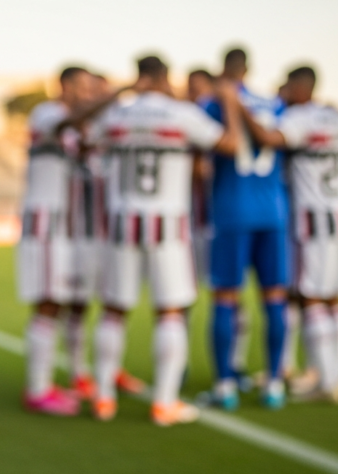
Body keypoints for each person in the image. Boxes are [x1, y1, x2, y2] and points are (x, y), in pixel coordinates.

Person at [88, 55, 240, 424]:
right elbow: (231, 145)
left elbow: (87, 137)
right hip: (168, 224)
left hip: (123, 221)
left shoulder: (118, 115)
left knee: (114, 310)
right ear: (165, 77)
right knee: (170, 311)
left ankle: (104, 398)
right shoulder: (180, 114)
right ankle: (164, 402)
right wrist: (231, 106)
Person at [243, 66, 338, 402]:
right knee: (335, 299)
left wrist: (240, 109)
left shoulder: (300, 119)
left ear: (301, 87)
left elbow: (267, 139)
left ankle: (326, 384)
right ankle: (334, 374)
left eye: (286, 86)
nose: (282, 93)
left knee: (310, 296)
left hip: (312, 219)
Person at [203, 48, 291, 410]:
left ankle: (225, 385)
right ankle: (273, 382)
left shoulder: (211, 104)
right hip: (273, 211)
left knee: (225, 298)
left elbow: (215, 146)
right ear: (249, 69)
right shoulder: (275, 105)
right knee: (274, 298)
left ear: (224, 70)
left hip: (232, 211)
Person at [17, 66, 97, 415]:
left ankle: (59, 380)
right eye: (82, 86)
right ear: (63, 85)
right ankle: (38, 390)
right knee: (48, 303)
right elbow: (68, 124)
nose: (87, 93)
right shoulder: (48, 112)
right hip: (46, 224)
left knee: (64, 302)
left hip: (67, 228)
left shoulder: (78, 127)